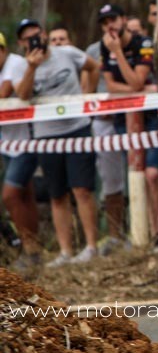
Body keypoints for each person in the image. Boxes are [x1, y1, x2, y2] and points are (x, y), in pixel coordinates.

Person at [14, 19, 101, 267]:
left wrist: (87, 95)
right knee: (57, 194)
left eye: (36, 35)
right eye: (27, 38)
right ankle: (65, 252)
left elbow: (93, 67)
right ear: (21, 43)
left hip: (77, 128)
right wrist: (31, 68)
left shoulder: (68, 53)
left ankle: (92, 246)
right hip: (46, 135)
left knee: (83, 190)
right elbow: (22, 96)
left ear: (44, 34)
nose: (34, 40)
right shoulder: (22, 66)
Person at [99, 4, 158, 251]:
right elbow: (112, 86)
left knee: (153, 174)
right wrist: (135, 89)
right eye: (104, 23)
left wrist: (119, 53)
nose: (110, 26)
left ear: (124, 19)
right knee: (136, 176)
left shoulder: (143, 43)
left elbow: (136, 80)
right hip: (122, 119)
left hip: (150, 117)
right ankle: (144, 235)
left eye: (113, 20)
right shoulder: (105, 47)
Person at [83, 35, 127, 255]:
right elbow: (86, 87)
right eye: (104, 22)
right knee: (109, 182)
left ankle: (145, 235)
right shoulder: (92, 49)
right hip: (102, 121)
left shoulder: (137, 46)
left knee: (144, 177)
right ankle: (114, 235)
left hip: (133, 118)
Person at [0, 32, 41, 273]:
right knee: (25, 194)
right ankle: (33, 249)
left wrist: (6, 88)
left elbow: (15, 92)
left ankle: (30, 249)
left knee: (10, 195)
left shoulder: (15, 63)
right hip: (7, 141)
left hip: (26, 141)